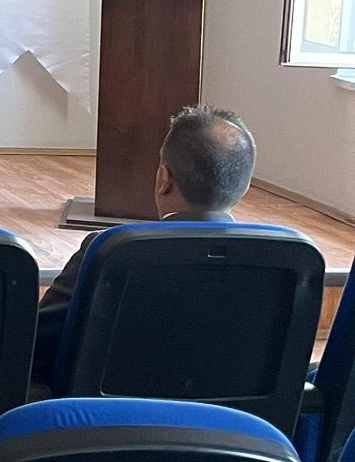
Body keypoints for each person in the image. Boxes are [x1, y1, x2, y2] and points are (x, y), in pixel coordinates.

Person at [33, 104, 258, 385]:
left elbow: (37, 348)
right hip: (237, 414)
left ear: (164, 179)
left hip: (109, 412)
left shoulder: (110, 250)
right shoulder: (283, 257)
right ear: (244, 186)